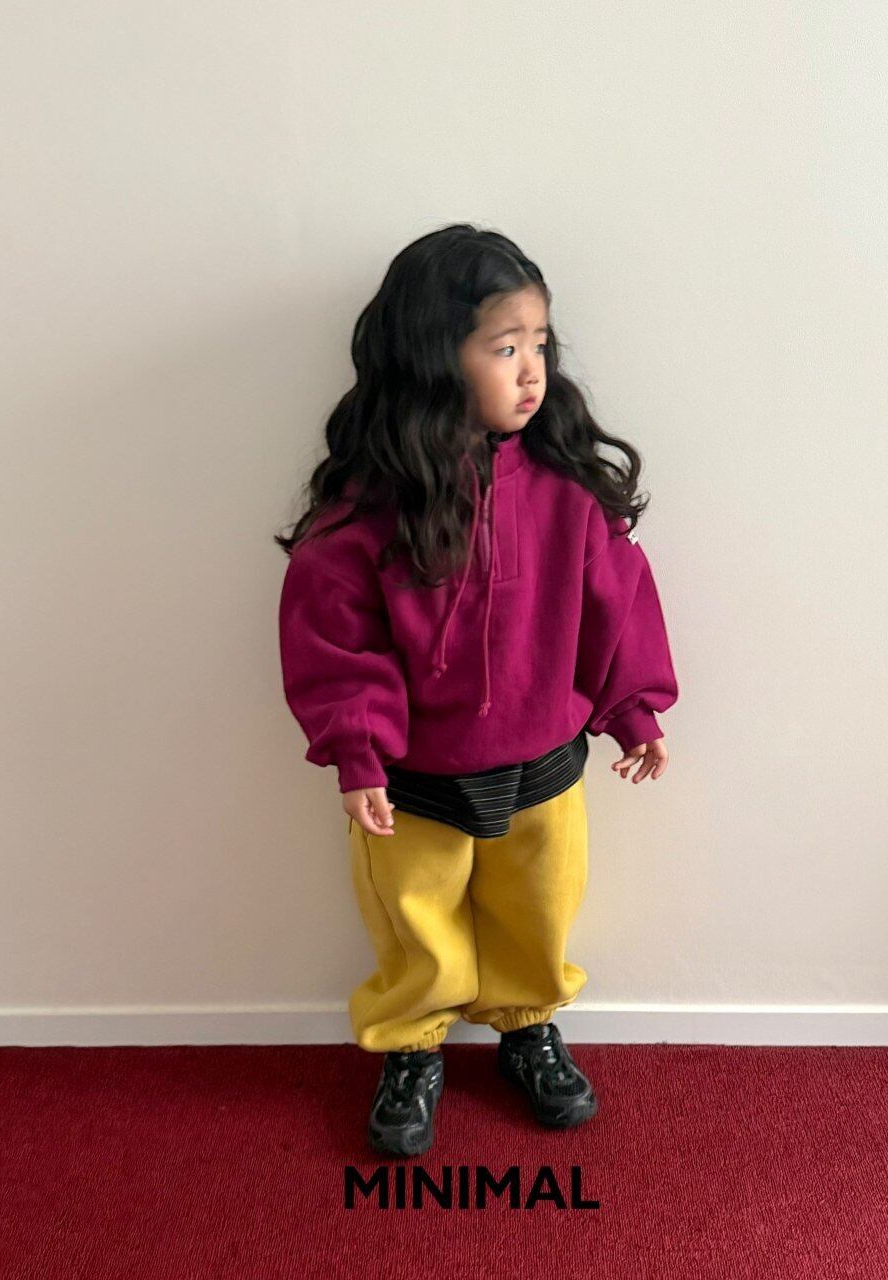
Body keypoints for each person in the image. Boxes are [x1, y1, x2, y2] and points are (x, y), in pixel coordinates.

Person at [276, 223, 679, 1158]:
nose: (532, 370)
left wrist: (632, 710)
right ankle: (413, 1045)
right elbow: (337, 636)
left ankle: (528, 1024)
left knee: (539, 905)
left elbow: (615, 601)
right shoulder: (373, 510)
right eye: (504, 348)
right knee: (415, 919)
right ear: (433, 358)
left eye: (540, 343)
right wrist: (356, 749)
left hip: (544, 762)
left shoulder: (566, 490)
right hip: (412, 780)